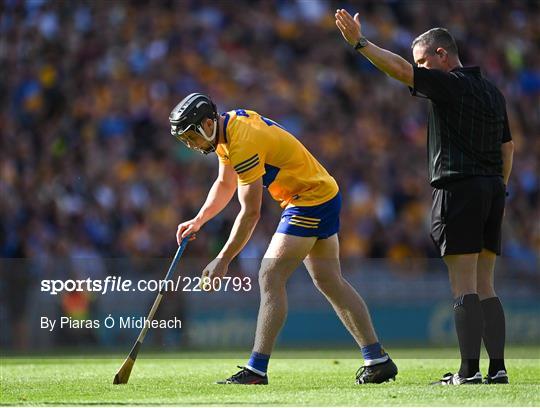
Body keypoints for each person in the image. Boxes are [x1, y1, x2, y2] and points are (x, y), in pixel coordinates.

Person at [335, 10, 514, 385]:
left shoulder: (450, 84)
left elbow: (401, 71)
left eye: (424, 61)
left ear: (441, 55)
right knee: (487, 285)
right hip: (492, 188)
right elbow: (507, 147)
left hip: (458, 188)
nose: (421, 69)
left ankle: (468, 372)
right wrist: (500, 187)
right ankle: (496, 369)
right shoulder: (493, 91)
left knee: (463, 284)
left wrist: (360, 44)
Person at [170, 93, 398, 384]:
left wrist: (223, 259)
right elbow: (225, 183)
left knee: (270, 274)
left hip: (309, 199)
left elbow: (250, 213)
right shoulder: (227, 130)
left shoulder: (242, 141)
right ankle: (377, 360)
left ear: (206, 123)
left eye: (191, 136)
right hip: (321, 193)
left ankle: (256, 370)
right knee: (329, 281)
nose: (190, 144)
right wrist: (200, 219)